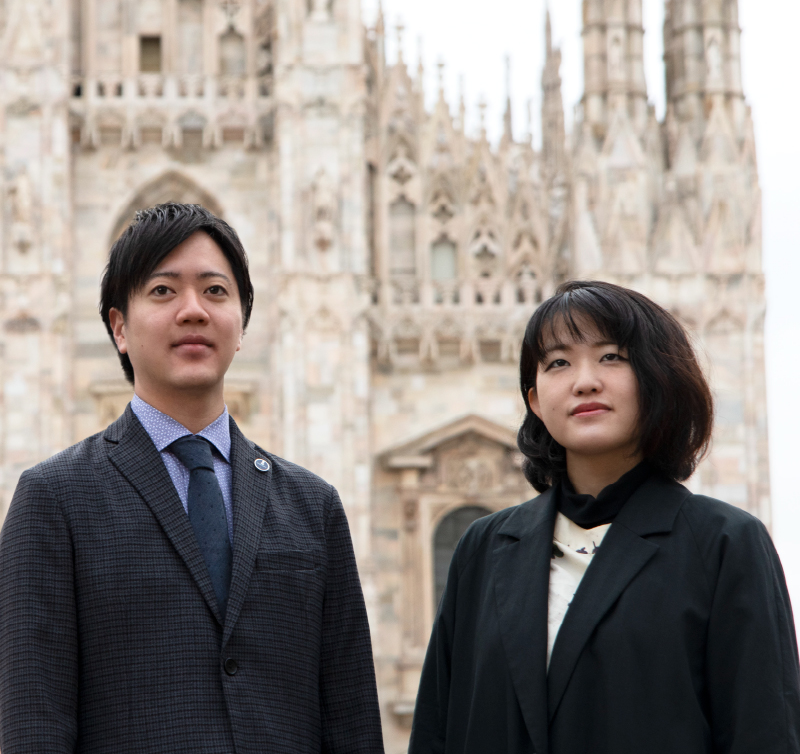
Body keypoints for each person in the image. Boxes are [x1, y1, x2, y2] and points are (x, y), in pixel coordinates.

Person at [0, 204, 385, 754]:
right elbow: (34, 725)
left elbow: (352, 724)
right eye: (162, 291)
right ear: (119, 328)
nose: (193, 311)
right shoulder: (55, 498)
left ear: (242, 325)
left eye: (215, 291)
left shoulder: (312, 505)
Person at [409, 280, 800, 754]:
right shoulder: (484, 547)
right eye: (558, 363)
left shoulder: (724, 544)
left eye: (611, 356)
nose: (584, 380)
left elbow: (763, 731)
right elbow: (437, 730)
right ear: (535, 399)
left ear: (657, 377)